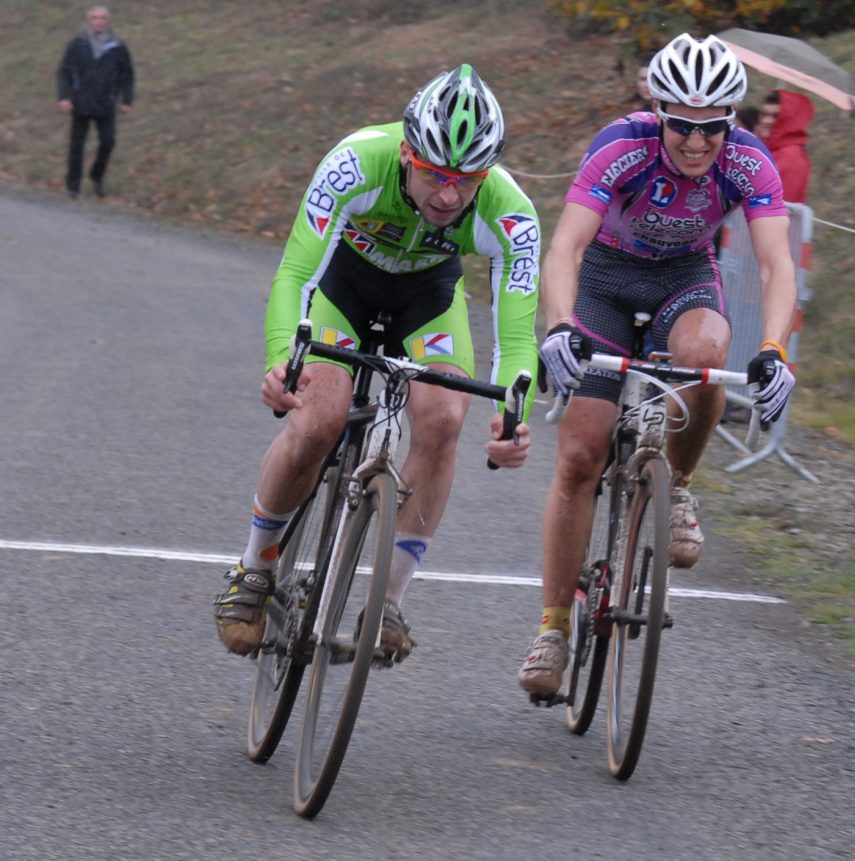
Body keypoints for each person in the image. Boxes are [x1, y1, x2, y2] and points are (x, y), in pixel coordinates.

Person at [213, 65, 538, 661]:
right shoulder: (356, 162)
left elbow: (516, 334)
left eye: (466, 180)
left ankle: (386, 601)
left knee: (443, 421)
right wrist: (282, 358)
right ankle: (255, 568)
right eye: (435, 174)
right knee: (319, 417)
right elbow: (295, 274)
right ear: (408, 154)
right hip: (343, 288)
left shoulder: (510, 211)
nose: (448, 195)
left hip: (428, 301)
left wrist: (515, 415)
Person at [518, 33, 797, 696]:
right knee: (582, 454)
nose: (697, 143)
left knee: (706, 352)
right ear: (660, 111)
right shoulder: (622, 145)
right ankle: (554, 627)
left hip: (684, 278)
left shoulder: (751, 161)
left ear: (731, 121)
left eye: (713, 129)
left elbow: (776, 264)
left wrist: (776, 351)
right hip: (607, 281)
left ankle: (680, 483)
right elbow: (566, 249)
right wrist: (559, 326)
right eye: (683, 126)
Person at [56, 5, 133, 198]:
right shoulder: (77, 44)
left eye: (102, 18)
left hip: (106, 103)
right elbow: (64, 71)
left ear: (108, 21)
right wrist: (64, 96)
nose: (98, 21)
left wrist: (127, 99)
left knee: (108, 142)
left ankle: (96, 177)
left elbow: (127, 74)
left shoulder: (118, 46)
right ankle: (73, 186)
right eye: (95, 18)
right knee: (76, 146)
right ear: (89, 21)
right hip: (80, 102)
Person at [757, 89, 815, 203]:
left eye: (776, 116)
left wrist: (737, 200)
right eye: (764, 114)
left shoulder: (791, 157)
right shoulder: (769, 150)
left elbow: (776, 203)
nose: (766, 120)